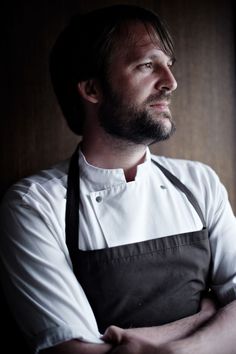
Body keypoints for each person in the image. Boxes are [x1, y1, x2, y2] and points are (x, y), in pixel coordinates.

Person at [0, 4, 236, 354]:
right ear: (92, 89)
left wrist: (176, 348)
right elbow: (75, 351)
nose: (171, 82)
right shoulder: (33, 205)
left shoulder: (200, 183)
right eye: (146, 65)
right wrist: (206, 319)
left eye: (168, 65)